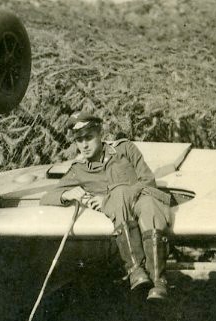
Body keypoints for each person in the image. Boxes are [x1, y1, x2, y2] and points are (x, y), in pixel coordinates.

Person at [40, 112, 172, 300]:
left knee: (148, 206)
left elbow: (148, 181)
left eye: (88, 137)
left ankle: (159, 280)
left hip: (141, 200)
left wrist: (108, 199)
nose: (84, 145)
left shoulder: (125, 149)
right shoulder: (78, 170)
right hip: (120, 215)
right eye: (79, 140)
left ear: (100, 134)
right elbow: (47, 197)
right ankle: (136, 270)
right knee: (119, 195)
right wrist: (67, 194)